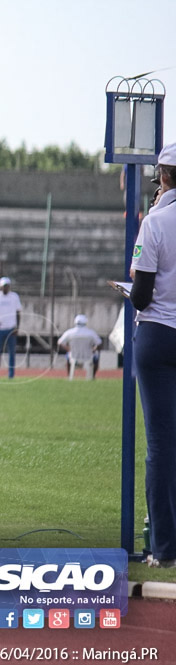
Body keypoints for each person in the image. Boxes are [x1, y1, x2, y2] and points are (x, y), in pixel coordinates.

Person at [131, 141, 176, 570]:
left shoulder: (156, 222)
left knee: (161, 443)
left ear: (162, 176)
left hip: (160, 333)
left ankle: (164, 547)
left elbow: (141, 295)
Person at [57, 314, 102, 379]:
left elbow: (59, 342)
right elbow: (99, 343)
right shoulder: (91, 333)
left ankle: (69, 375)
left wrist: (69, 349)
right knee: (96, 357)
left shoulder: (69, 332)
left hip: (73, 356)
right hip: (88, 356)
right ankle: (92, 376)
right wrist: (93, 350)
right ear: (86, 322)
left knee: (68, 356)